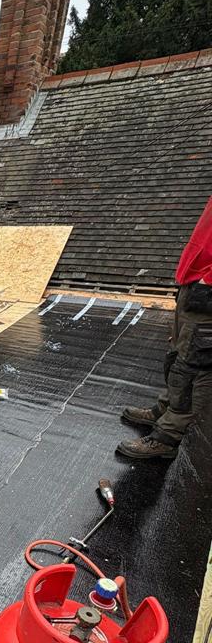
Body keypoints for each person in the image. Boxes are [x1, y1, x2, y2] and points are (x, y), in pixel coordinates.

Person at [117, 196, 212, 460]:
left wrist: (207, 280)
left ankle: (167, 437)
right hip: (195, 285)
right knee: (177, 354)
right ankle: (165, 409)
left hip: (207, 289)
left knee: (192, 367)